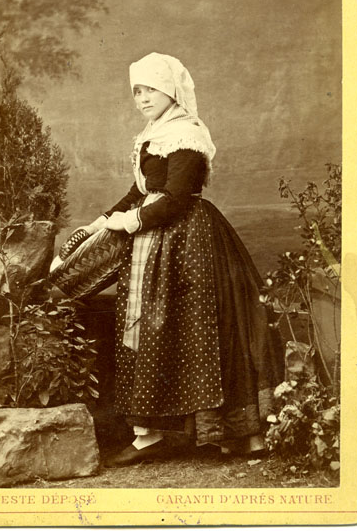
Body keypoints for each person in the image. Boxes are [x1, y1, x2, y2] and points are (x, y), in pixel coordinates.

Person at [72, 52, 283, 466]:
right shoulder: (154, 133)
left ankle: (228, 433)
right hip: (155, 239)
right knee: (147, 328)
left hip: (189, 242)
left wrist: (130, 221)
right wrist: (102, 220)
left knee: (195, 329)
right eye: (136, 91)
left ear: (170, 90)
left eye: (149, 89)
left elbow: (177, 197)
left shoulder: (186, 133)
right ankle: (147, 434)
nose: (141, 99)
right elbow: (142, 190)